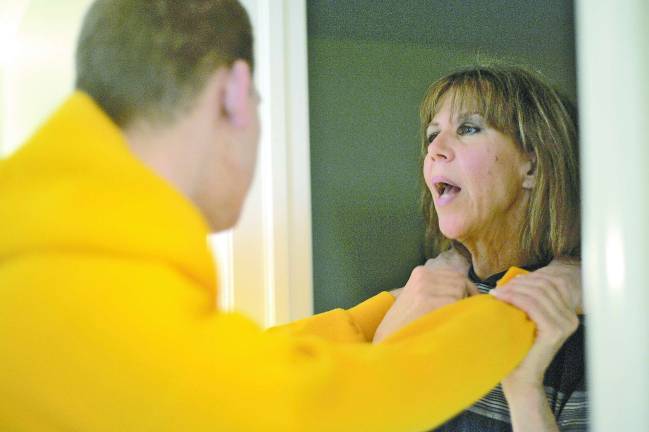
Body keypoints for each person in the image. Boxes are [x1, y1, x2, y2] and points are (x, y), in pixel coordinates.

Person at [0, 1, 579, 430]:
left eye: (467, 129)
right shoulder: (105, 297)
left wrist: (382, 313)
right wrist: (526, 304)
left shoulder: (50, 254)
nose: (436, 149)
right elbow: (305, 403)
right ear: (233, 94)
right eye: (256, 108)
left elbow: (265, 363)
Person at [374, 65, 587, 431]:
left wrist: (525, 393)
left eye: (468, 129)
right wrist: (384, 350)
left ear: (531, 167)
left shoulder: (580, 327)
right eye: (432, 135)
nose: (435, 150)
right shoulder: (413, 303)